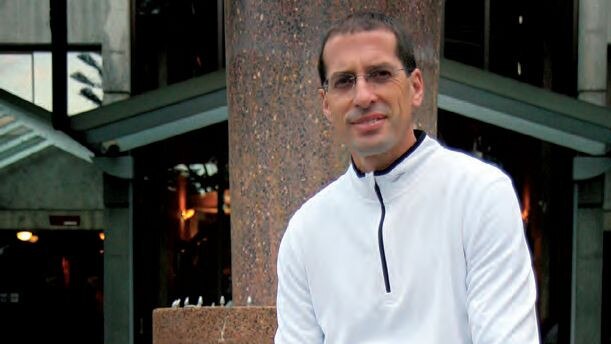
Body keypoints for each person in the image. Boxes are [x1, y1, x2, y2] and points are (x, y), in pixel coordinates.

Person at [275, 11, 540, 344]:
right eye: (344, 81)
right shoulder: (305, 232)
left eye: (380, 74)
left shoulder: (479, 194)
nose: (363, 97)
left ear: (416, 87)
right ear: (326, 104)